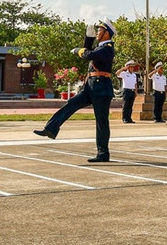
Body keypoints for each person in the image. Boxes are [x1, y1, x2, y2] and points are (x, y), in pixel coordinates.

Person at [33, 18, 116, 162]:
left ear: (107, 33)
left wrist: (78, 50)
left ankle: (103, 153)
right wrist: (88, 39)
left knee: (101, 122)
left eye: (100, 30)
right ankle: (51, 128)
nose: (97, 32)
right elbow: (89, 52)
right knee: (71, 103)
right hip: (91, 87)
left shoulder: (107, 48)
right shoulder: (100, 47)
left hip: (101, 88)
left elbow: (89, 55)